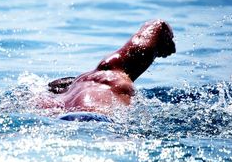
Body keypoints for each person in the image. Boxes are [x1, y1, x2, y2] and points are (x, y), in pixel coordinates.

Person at [37, 19, 176, 118]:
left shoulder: (61, 98)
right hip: (99, 119)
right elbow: (159, 26)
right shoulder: (109, 73)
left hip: (62, 120)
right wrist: (167, 44)